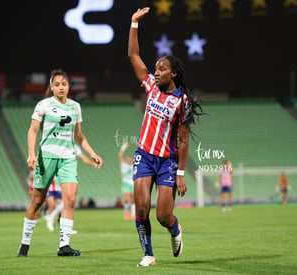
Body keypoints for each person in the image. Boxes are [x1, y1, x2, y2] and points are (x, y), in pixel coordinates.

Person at [128, 7, 203, 267]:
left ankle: (175, 230)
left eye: (162, 69)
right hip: (145, 155)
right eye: (156, 68)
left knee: (162, 215)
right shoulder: (150, 86)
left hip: (168, 162)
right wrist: (134, 23)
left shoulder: (182, 102)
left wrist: (181, 174)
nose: (156, 72)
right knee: (140, 208)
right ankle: (148, 254)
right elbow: (133, 55)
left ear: (173, 74)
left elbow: (183, 140)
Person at [17, 68, 103, 257]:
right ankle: (24, 244)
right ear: (51, 87)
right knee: (37, 201)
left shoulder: (75, 107)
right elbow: (33, 131)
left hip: (68, 158)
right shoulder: (43, 105)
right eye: (57, 84)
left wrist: (92, 153)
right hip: (46, 157)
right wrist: (31, 154)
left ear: (68, 86)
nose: (61, 87)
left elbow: (79, 136)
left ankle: (64, 246)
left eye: (64, 84)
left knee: (70, 199)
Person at [44, 144, 98, 232]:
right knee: (53, 206)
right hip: (52, 182)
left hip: (64, 179)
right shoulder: (57, 143)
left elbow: (83, 158)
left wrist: (93, 163)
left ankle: (61, 225)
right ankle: (52, 220)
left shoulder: (75, 147)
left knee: (66, 204)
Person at [119, 142, 135, 220]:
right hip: (125, 183)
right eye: (128, 159)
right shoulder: (123, 165)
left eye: (130, 159)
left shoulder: (134, 166)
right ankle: (126, 213)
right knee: (126, 199)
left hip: (133, 183)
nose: (129, 160)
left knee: (133, 200)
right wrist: (123, 147)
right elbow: (120, 156)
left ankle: (133, 214)